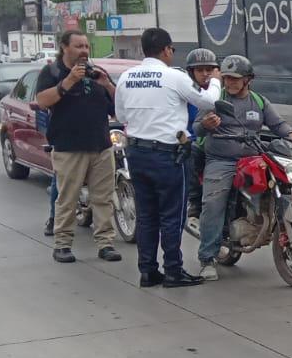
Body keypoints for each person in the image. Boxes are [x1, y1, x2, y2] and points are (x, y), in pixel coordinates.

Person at [114, 28, 220, 288]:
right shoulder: (174, 77)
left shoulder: (126, 78)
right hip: (168, 155)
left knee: (147, 214)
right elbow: (207, 101)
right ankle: (174, 270)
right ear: (167, 50)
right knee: (172, 215)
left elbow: (122, 115)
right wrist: (215, 80)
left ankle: (148, 270)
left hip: (137, 153)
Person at [193, 54, 292, 281]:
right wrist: (205, 124)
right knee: (213, 202)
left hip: (253, 157)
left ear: (248, 79)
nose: (230, 82)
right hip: (221, 160)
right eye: (227, 78)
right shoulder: (214, 100)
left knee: (283, 189)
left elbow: (277, 124)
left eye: (235, 78)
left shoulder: (259, 101)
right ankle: (207, 259)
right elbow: (197, 129)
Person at [33, 30, 120, 264]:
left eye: (86, 46)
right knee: (68, 198)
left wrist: (108, 85)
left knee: (102, 198)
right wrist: (69, 81)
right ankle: (62, 244)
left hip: (101, 145)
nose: (84, 50)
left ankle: (105, 244)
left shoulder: (96, 73)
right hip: (68, 147)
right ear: (64, 47)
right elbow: (42, 101)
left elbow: (116, 109)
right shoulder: (52, 72)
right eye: (78, 46)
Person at [181, 48, 219, 225]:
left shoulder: (224, 90)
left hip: (222, 142)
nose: (205, 74)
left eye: (209, 70)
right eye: (200, 70)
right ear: (191, 72)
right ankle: (195, 201)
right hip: (195, 140)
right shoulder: (186, 93)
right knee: (192, 153)